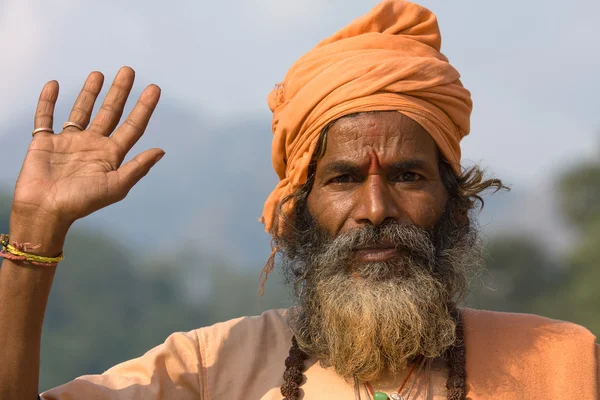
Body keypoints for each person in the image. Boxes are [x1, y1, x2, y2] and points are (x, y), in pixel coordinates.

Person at [0, 1, 598, 399]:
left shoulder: (565, 364)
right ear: (296, 208)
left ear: (456, 201)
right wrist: (35, 229)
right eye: (341, 179)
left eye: (409, 176)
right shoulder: (212, 369)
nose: (374, 207)